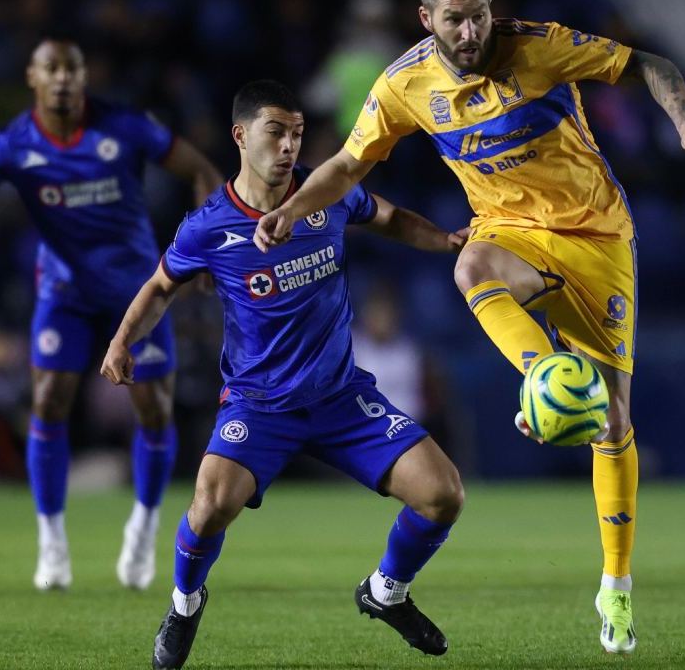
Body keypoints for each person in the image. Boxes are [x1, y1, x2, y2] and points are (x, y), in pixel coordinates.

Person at [254, 0, 685, 655]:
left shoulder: (539, 45)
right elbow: (349, 165)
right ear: (427, 20)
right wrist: (295, 208)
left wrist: (683, 119)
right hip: (510, 233)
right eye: (455, 18)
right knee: (470, 262)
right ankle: (544, 376)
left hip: (597, 238)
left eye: (478, 13)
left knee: (614, 421)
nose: (472, 29)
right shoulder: (405, 84)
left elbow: (650, 64)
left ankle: (616, 587)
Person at [102, 80, 467, 670]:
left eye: (297, 133)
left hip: (340, 396)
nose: (290, 145)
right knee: (209, 507)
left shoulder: (328, 191)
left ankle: (385, 592)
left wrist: (443, 240)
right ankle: (185, 603)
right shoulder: (210, 225)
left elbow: (390, 218)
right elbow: (159, 287)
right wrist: (122, 341)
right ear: (241, 136)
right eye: (276, 132)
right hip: (259, 404)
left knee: (443, 494)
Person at [0, 38, 222, 591]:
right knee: (46, 400)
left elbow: (202, 168)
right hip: (63, 293)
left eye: (72, 69)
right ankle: (52, 541)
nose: (62, 79)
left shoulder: (125, 126)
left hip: (136, 293)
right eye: (52, 69)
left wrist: (205, 244)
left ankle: (142, 527)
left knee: (154, 412)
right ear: (32, 77)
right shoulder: (12, 143)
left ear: (83, 77)